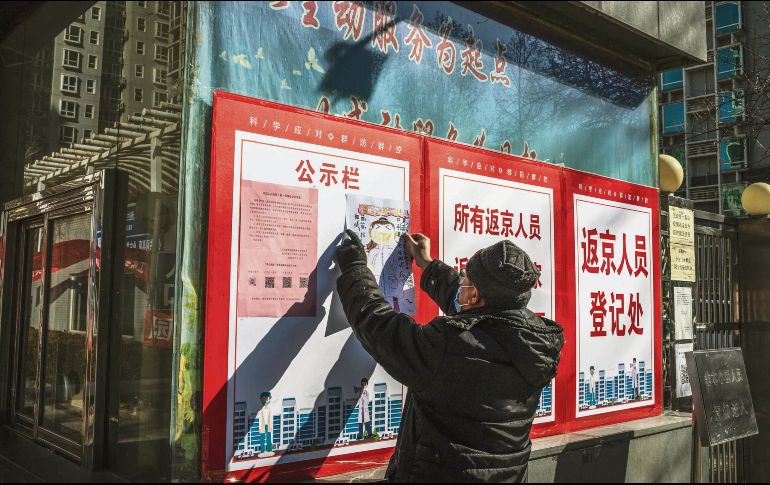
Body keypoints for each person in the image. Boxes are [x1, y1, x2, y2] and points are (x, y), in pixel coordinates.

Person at [335, 230, 564, 482]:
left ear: (475, 294)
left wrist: (355, 268)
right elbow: (474, 311)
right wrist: (428, 265)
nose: (461, 285)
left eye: (465, 279)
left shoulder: (448, 345)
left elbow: (381, 328)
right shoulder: (534, 340)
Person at [257, 391, 275, 458]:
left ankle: (269, 450)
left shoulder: (269, 409)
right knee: (262, 438)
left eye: (267, 399)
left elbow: (270, 418)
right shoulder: (261, 410)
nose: (265, 400)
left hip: (268, 425)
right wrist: (260, 427)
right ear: (261, 399)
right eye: (263, 399)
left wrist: (271, 426)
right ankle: (262, 451)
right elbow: (260, 419)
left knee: (269, 438)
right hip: (262, 425)